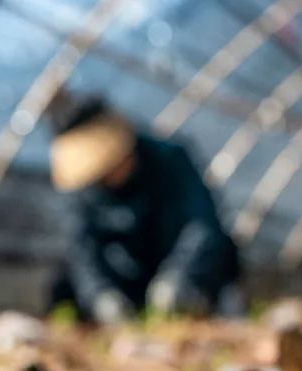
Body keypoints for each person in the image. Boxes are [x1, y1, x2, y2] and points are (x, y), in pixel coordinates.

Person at [47, 95, 242, 324]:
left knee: (223, 256)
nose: (108, 177)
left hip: (177, 267)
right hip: (127, 281)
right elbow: (81, 249)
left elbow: (201, 225)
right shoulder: (83, 190)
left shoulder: (171, 160)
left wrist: (179, 277)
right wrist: (100, 295)